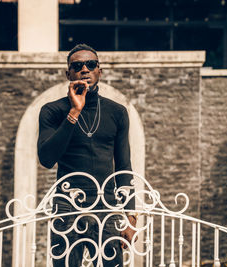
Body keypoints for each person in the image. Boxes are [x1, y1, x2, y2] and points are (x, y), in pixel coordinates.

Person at [37, 44, 137, 266]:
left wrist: (131, 216)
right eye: (77, 65)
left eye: (91, 65)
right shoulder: (52, 111)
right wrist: (74, 112)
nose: (84, 69)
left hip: (106, 204)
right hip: (67, 204)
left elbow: (123, 166)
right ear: (68, 73)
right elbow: (46, 159)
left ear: (99, 71)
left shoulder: (117, 112)